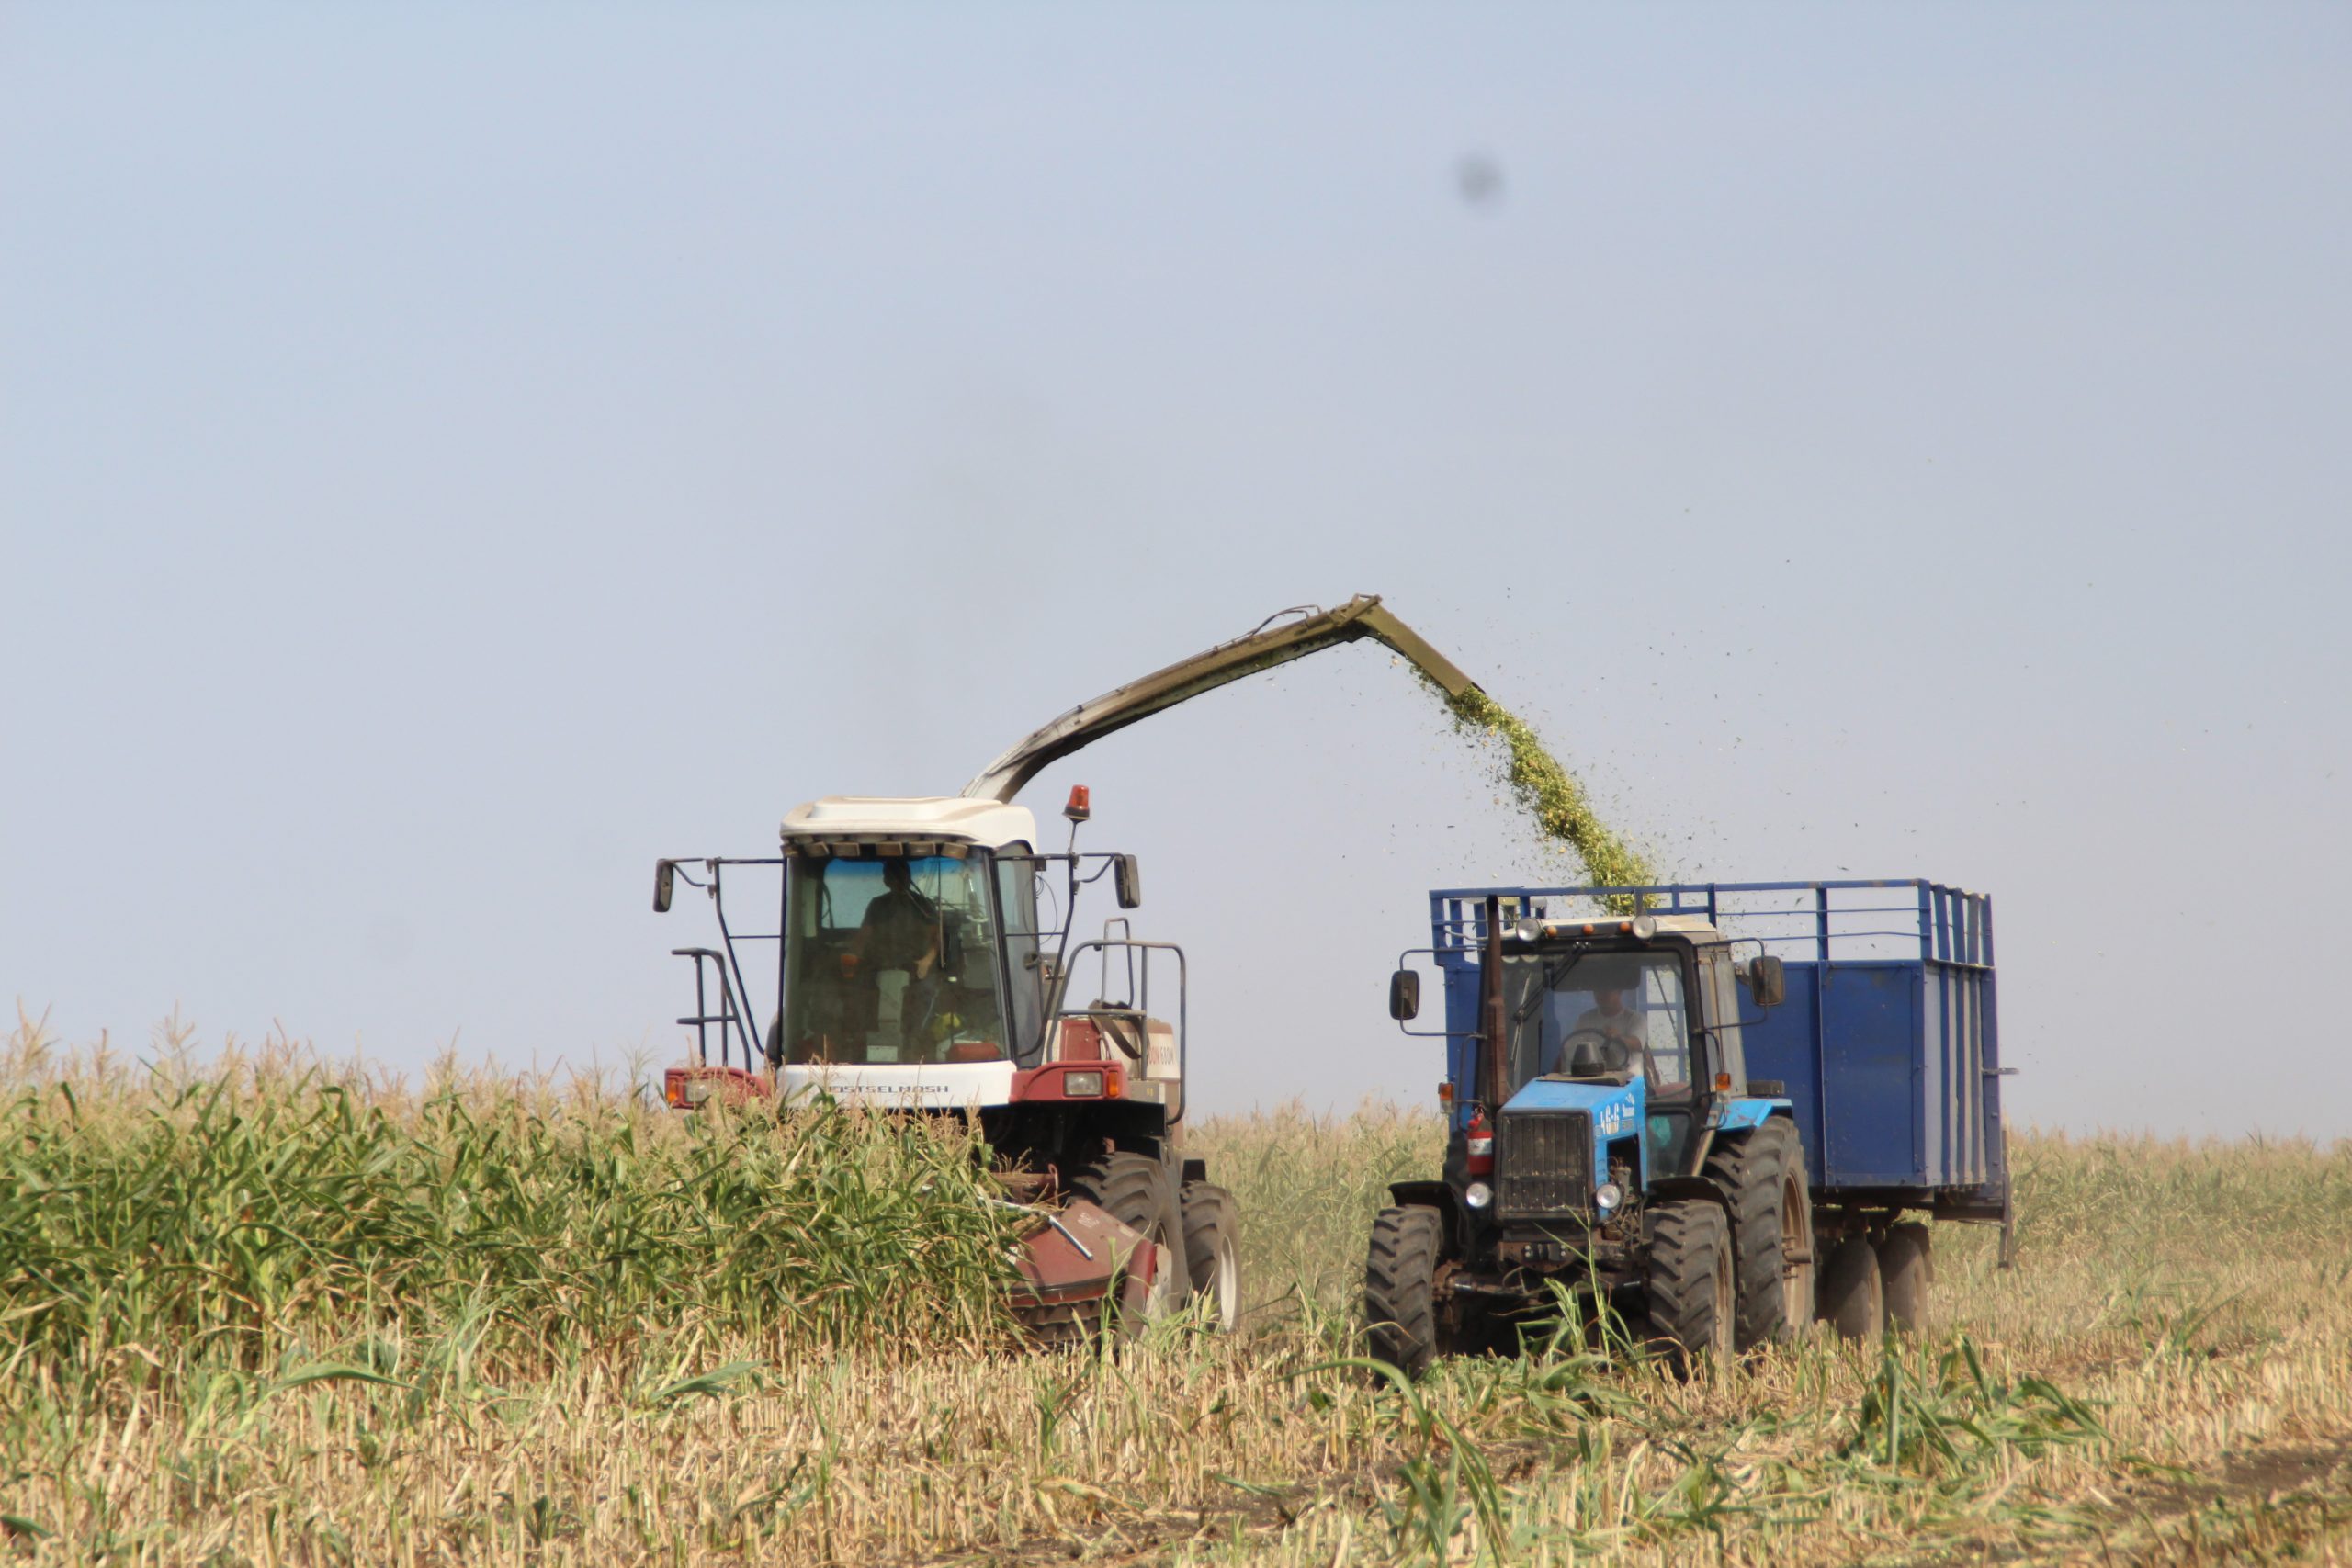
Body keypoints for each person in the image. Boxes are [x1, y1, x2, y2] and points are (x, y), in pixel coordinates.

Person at [851, 859, 942, 1055]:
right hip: (879, 966)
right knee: (855, 992)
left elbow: (937, 939)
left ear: (908, 878)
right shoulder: (877, 905)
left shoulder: (923, 906)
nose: (896, 880)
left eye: (900, 876)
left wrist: (926, 961)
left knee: (928, 994)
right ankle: (859, 1043)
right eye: (891, 876)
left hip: (916, 968)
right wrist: (853, 959)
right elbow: (863, 938)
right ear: (886, 880)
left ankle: (917, 1042)